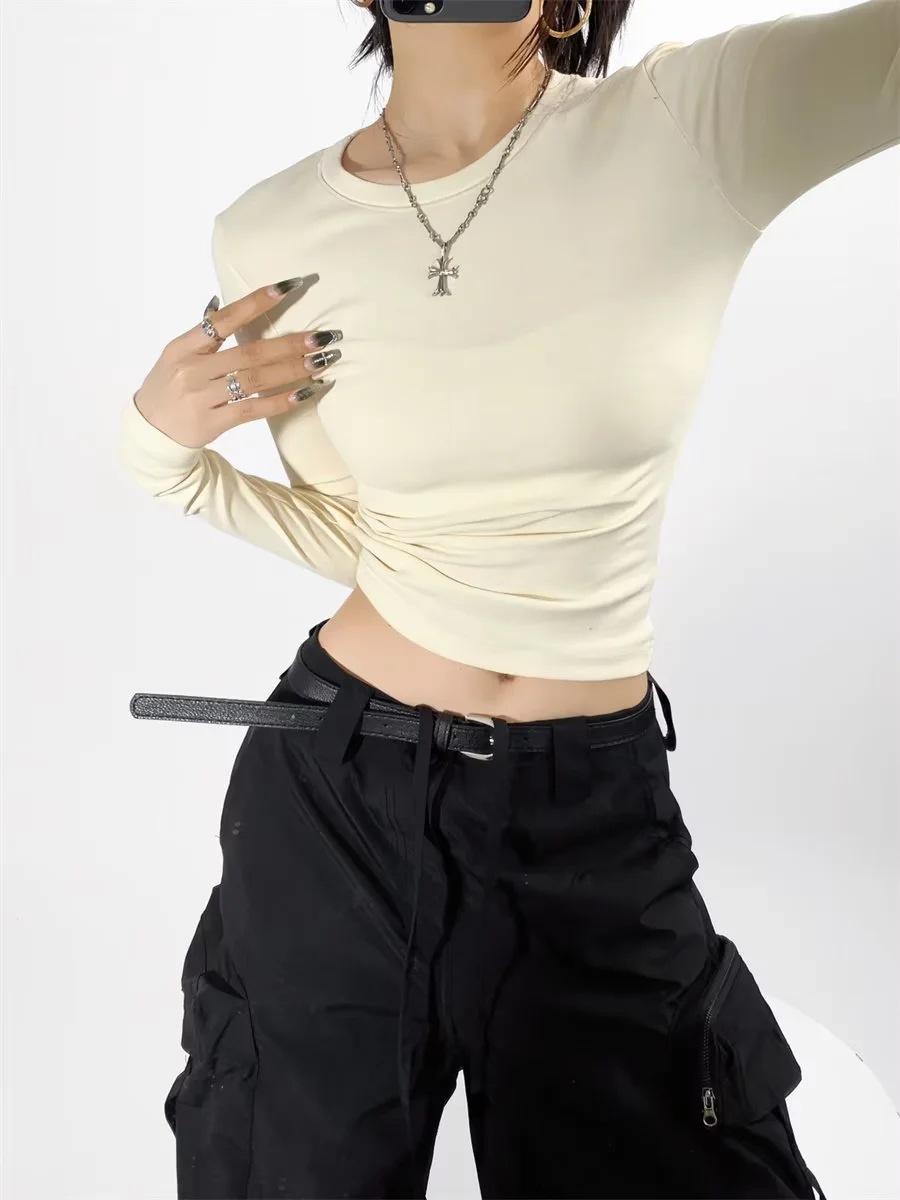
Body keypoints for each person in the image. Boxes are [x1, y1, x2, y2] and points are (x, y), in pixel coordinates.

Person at [117, 0, 899, 1195]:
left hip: (588, 814)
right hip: (337, 800)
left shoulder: (689, 123)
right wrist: (165, 462)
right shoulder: (271, 231)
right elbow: (381, 540)